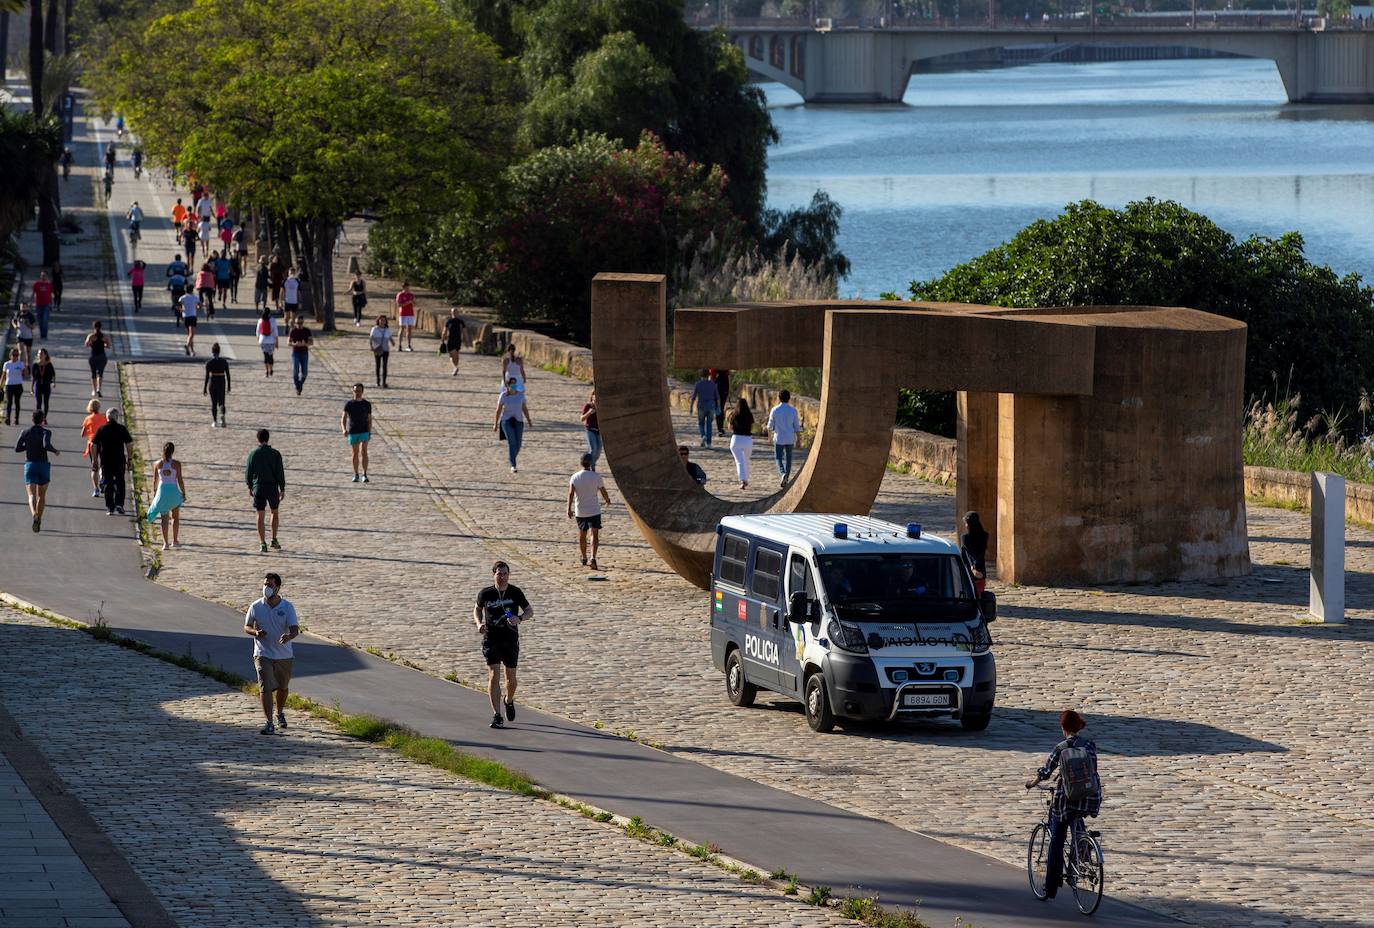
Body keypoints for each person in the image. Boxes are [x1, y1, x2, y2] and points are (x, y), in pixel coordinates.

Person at [1026, 710, 1102, 901]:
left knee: (1057, 838)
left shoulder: (1061, 747)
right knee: (1078, 818)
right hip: (1089, 797)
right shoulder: (1089, 745)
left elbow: (1046, 772)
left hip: (1065, 799)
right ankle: (1084, 852)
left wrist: (1032, 783)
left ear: (1063, 728)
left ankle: (1051, 886)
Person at [473, 560, 533, 729]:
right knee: (494, 674)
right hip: (491, 638)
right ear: (493, 575)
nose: (502, 577)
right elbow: (477, 608)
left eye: (505, 574)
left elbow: (529, 611)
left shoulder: (515, 592)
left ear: (509, 575)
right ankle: (497, 714)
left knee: (511, 678)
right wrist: (479, 623)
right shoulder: (486, 593)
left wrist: (519, 618)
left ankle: (509, 700)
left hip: (510, 638)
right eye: (499, 574)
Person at [244, 571, 299, 735]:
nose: (266, 588)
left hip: (284, 655)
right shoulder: (256, 606)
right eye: (265, 584)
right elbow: (247, 626)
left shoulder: (287, 607)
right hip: (263, 653)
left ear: (278, 588)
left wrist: (289, 636)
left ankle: (279, 712)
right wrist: (255, 633)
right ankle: (269, 722)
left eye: (270, 585)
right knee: (265, 688)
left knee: (283, 687)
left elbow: (295, 629)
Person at [15, 411, 59, 532]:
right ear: (43, 420)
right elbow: (46, 445)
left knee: (31, 495)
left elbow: (17, 448)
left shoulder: (25, 432)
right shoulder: (46, 432)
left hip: (30, 465)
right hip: (43, 465)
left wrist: (27, 447)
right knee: (42, 495)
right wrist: (55, 451)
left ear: (32, 419)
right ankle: (39, 518)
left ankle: (34, 513)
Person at [568, 453, 611, 570]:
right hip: (594, 510)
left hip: (580, 510)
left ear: (581, 463)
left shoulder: (575, 477)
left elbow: (571, 494)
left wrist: (568, 509)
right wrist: (607, 500)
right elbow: (603, 491)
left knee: (582, 534)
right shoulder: (596, 476)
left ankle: (583, 557)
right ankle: (593, 557)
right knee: (594, 534)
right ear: (591, 463)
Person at [245, 428, 285, 553]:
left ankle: (262, 543)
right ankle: (274, 538)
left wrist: (250, 486)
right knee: (274, 512)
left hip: (259, 487)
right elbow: (280, 473)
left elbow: (248, 472)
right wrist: (282, 488)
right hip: (272, 487)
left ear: (258, 439)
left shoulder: (253, 454)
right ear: (268, 439)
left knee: (260, 515)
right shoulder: (275, 454)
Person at [145, 442, 187, 550]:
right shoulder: (177, 464)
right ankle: (175, 540)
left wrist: (154, 492)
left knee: (164, 519)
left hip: (162, 491)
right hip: (173, 491)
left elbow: (154, 480)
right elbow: (180, 480)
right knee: (175, 517)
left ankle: (165, 543)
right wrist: (183, 492)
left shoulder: (157, 464)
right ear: (173, 451)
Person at [91, 408, 132, 515]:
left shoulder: (102, 429)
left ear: (107, 417)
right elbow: (129, 444)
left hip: (106, 461)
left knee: (108, 483)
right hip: (119, 460)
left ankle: (110, 507)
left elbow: (93, 444)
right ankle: (119, 504)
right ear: (117, 417)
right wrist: (130, 458)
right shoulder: (122, 429)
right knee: (120, 482)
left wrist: (95, 459)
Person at [493, 377, 532, 474]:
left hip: (519, 421)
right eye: (512, 383)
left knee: (518, 444)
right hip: (506, 421)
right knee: (512, 442)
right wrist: (495, 424)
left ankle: (512, 456)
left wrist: (529, 420)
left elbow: (524, 408)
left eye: (515, 383)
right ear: (508, 385)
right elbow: (498, 410)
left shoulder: (520, 395)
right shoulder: (503, 396)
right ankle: (513, 465)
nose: (514, 385)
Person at [766, 389, 801, 487]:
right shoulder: (793, 410)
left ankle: (782, 473)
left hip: (779, 438)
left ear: (779, 398)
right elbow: (796, 426)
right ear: (789, 398)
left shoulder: (775, 410)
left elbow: (770, 425)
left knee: (778, 458)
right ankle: (786, 478)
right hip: (790, 438)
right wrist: (799, 439)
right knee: (789, 458)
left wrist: (769, 437)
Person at [341, 383, 372, 483]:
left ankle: (365, 474)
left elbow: (369, 419)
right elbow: (344, 418)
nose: (357, 393)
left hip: (364, 431)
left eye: (359, 391)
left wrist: (369, 431)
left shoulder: (367, 404)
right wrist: (344, 429)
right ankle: (356, 474)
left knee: (364, 451)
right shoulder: (349, 404)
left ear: (362, 392)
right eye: (355, 391)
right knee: (355, 453)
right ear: (353, 391)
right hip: (353, 431)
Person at [81, 399, 108, 498]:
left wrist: (90, 432)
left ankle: (96, 489)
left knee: (94, 466)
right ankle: (102, 479)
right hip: (103, 443)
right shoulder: (104, 417)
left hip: (92, 444)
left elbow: (82, 434)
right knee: (103, 464)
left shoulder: (88, 419)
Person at [727, 397, 754, 490]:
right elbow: (751, 426)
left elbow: (729, 427)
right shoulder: (749, 415)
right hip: (747, 440)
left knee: (739, 461)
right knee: (746, 461)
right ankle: (745, 479)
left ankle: (743, 480)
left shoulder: (734, 415)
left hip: (736, 439)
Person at [962, 511, 990, 596]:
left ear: (968, 524)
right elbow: (981, 553)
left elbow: (969, 554)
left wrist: (973, 567)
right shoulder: (985, 535)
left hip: (969, 569)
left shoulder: (965, 538)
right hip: (981, 569)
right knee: (979, 594)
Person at [204, 343, 231, 427]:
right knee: (221, 402)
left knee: (214, 402)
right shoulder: (224, 362)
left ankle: (215, 421)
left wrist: (204, 388)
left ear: (212, 351)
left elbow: (207, 376)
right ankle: (222, 414)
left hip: (213, 381)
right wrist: (229, 385)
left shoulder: (209, 363)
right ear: (219, 351)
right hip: (221, 380)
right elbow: (228, 375)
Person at [690, 369, 717, 448]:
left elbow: (693, 397)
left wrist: (691, 407)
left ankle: (703, 436)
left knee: (701, 423)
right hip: (711, 406)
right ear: (709, 375)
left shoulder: (698, 384)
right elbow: (717, 397)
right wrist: (718, 407)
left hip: (701, 405)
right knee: (709, 424)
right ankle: (709, 443)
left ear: (700, 375)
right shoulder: (713, 384)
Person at [288, 317, 313, 395]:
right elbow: (288, 342)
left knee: (305, 372)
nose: (299, 325)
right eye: (297, 323)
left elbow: (311, 342)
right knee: (296, 371)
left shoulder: (307, 331)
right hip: (295, 353)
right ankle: (298, 387)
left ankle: (300, 384)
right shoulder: (293, 331)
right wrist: (294, 344)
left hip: (304, 353)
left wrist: (305, 344)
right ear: (295, 323)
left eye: (301, 323)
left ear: (303, 323)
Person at [368, 315, 393, 388]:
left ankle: (384, 382)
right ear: (378, 321)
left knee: (385, 366)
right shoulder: (374, 329)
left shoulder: (387, 329)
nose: (382, 322)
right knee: (378, 365)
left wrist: (392, 342)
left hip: (386, 350)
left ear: (386, 322)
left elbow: (390, 337)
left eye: (384, 320)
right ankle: (378, 381)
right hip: (377, 349)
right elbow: (371, 339)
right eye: (381, 320)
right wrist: (371, 346)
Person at [2, 349, 25, 426]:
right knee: (9, 402)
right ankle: (8, 418)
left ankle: (16, 418)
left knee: (17, 402)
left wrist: (24, 369)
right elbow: (3, 375)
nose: (15, 357)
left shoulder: (20, 364)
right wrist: (1, 385)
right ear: (10, 355)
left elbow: (26, 373)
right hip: (9, 385)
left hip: (18, 385)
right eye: (13, 355)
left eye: (16, 355)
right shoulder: (7, 364)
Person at [30, 349, 54, 419]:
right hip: (38, 385)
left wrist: (53, 383)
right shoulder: (35, 365)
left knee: (46, 402)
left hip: (46, 385)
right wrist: (31, 388)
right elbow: (33, 377)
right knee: (38, 403)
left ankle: (44, 418)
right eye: (39, 354)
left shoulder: (49, 364)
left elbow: (53, 374)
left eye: (42, 354)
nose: (40, 355)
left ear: (45, 355)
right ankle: (38, 418)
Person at [580, 389, 601, 466]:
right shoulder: (588, 406)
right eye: (594, 396)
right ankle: (590, 466)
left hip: (599, 432)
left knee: (598, 451)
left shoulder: (602, 408)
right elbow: (582, 418)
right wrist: (589, 412)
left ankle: (591, 464)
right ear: (592, 396)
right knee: (593, 449)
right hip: (590, 430)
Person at [30, 272, 53, 341]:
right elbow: (33, 293)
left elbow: (51, 295)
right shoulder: (37, 284)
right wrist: (30, 302)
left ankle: (44, 335)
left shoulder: (49, 285)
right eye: (42, 276)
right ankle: (41, 334)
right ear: (40, 276)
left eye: (44, 276)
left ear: (47, 276)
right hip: (39, 304)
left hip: (47, 304)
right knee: (40, 320)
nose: (43, 277)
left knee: (45, 320)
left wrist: (51, 303)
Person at [443, 308, 466, 376]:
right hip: (455, 340)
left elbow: (444, 331)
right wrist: (466, 340)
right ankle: (455, 369)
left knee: (451, 356)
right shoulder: (459, 322)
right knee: (456, 355)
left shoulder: (450, 322)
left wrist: (442, 339)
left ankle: (455, 367)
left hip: (453, 340)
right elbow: (465, 332)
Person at [394, 281, 416, 351]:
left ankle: (409, 345)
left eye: (408, 287)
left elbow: (414, 304)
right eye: (406, 287)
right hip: (403, 313)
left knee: (409, 329)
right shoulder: (400, 295)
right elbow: (399, 305)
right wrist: (408, 302)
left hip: (410, 313)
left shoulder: (411, 295)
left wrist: (413, 302)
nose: (407, 289)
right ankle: (399, 345)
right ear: (403, 288)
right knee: (402, 328)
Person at [11, 304, 34, 369]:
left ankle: (28, 366)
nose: (23, 309)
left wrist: (28, 325)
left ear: (27, 308)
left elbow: (33, 326)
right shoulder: (18, 314)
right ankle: (20, 367)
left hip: (28, 336)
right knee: (21, 352)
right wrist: (15, 326)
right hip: (20, 335)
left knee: (28, 353)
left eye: (24, 307)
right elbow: (13, 321)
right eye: (22, 307)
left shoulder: (30, 316)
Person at [257, 309, 278, 378]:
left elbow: (258, 331)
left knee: (265, 356)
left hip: (263, 340)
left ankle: (266, 371)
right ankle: (271, 369)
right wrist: (277, 341)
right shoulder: (273, 321)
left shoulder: (260, 320)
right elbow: (275, 331)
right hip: (271, 340)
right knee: (270, 356)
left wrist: (258, 339)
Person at [178, 288, 199, 355]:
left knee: (189, 334)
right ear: (192, 290)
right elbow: (199, 305)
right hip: (192, 316)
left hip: (186, 317)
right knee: (192, 334)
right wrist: (197, 307)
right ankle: (187, 346)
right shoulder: (195, 297)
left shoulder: (182, 298)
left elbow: (178, 305)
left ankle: (192, 351)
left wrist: (181, 310)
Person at [712, 369, 731, 437]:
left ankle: (719, 429)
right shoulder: (726, 365)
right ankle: (721, 428)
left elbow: (711, 377)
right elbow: (729, 376)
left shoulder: (715, 365)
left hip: (717, 386)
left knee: (718, 408)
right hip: (725, 386)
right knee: (721, 407)